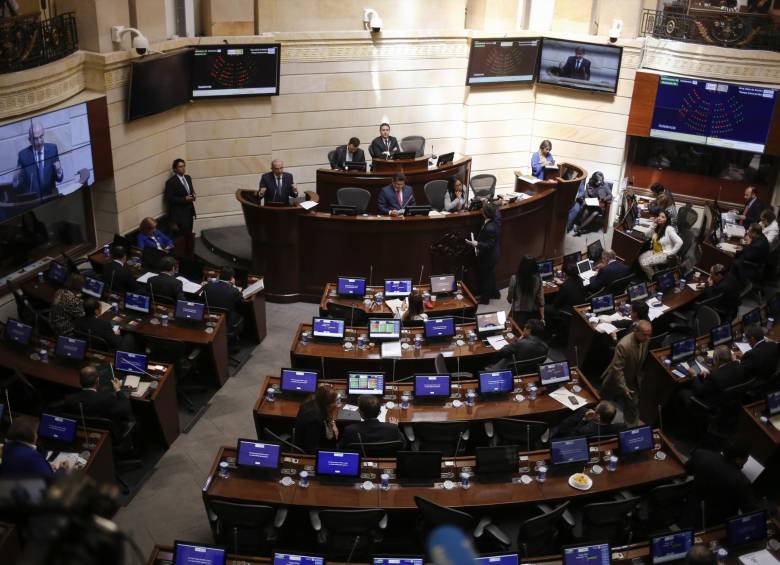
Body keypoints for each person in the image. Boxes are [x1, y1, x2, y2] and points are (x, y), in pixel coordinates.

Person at [686, 439, 760, 527]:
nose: (747, 459)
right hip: (717, 523)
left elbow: (688, 470)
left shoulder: (700, 454)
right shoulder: (742, 482)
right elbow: (750, 512)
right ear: (738, 459)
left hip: (691, 509)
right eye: (747, 457)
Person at [600, 320, 652, 426]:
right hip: (615, 380)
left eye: (649, 335)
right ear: (635, 331)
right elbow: (617, 369)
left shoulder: (645, 339)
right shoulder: (624, 345)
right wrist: (624, 387)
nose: (648, 338)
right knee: (604, 405)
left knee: (632, 406)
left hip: (632, 379)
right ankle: (599, 427)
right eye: (645, 335)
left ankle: (629, 430)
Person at [62, 365, 134, 428]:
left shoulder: (69, 399)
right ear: (97, 380)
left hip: (85, 430)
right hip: (108, 433)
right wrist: (118, 390)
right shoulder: (107, 399)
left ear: (80, 382)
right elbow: (126, 410)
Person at [0, 415, 68, 479]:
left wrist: (43, 466)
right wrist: (62, 470)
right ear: (33, 435)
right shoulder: (33, 458)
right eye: (36, 432)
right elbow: (50, 485)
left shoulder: (7, 448)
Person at [680, 345, 745, 409]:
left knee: (682, 391)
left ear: (717, 359)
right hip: (731, 402)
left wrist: (694, 375)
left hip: (710, 403)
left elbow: (700, 392)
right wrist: (709, 374)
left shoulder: (715, 377)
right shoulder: (739, 366)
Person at [13, 121, 63, 199]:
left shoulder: (52, 149)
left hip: (50, 198)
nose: (39, 141)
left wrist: (59, 170)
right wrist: (16, 178)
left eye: (41, 137)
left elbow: (59, 179)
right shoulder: (23, 155)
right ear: (30, 140)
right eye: (35, 139)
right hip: (33, 201)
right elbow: (18, 187)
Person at [339, 395, 405, 449]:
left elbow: (341, 447)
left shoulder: (350, 430)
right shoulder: (392, 428)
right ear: (379, 413)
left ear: (360, 412)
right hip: (385, 459)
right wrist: (395, 427)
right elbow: (403, 445)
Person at [466, 202, 501, 304]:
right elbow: (497, 211)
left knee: (486, 277)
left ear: (485, 213)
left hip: (488, 256)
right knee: (491, 275)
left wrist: (476, 243)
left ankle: (485, 299)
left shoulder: (490, 228)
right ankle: (495, 293)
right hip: (494, 254)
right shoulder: (496, 220)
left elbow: (489, 245)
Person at [293, 385, 339, 454]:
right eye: (335, 401)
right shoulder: (315, 421)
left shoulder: (311, 402)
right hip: (310, 450)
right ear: (328, 404)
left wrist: (332, 422)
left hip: (313, 438)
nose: (337, 404)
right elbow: (311, 447)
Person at [638, 210, 683, 279]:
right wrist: (653, 224)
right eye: (659, 216)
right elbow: (646, 235)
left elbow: (680, 242)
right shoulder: (657, 227)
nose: (659, 218)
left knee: (644, 263)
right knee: (640, 258)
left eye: (663, 217)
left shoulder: (669, 229)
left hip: (664, 254)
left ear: (667, 220)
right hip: (656, 251)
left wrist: (671, 253)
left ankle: (653, 278)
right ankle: (655, 273)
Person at [164, 158, 196, 253]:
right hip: (180, 214)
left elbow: (190, 190)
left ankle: (190, 253)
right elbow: (170, 198)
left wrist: (193, 194)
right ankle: (185, 254)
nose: (183, 168)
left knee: (189, 234)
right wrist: (184, 199)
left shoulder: (188, 177)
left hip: (190, 211)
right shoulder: (171, 182)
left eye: (184, 166)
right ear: (175, 169)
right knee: (183, 236)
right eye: (180, 166)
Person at [550, 400, 623, 440]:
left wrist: (584, 419)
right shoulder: (619, 427)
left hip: (567, 437)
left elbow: (570, 437)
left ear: (598, 416)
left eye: (595, 409)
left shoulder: (584, 430)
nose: (593, 409)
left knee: (583, 411)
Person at [571, 171, 612, 236]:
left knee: (595, 213)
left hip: (599, 205)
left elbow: (610, 195)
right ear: (594, 179)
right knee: (585, 211)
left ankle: (579, 228)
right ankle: (579, 226)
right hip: (590, 204)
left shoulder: (605, 185)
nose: (599, 182)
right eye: (598, 180)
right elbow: (586, 196)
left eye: (601, 180)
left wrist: (604, 199)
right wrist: (589, 200)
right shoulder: (589, 184)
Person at [507, 255, 543, 325]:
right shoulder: (538, 279)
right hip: (533, 310)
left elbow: (510, 295)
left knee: (518, 331)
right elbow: (540, 298)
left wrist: (509, 299)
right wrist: (542, 317)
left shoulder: (514, 278)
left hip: (518, 311)